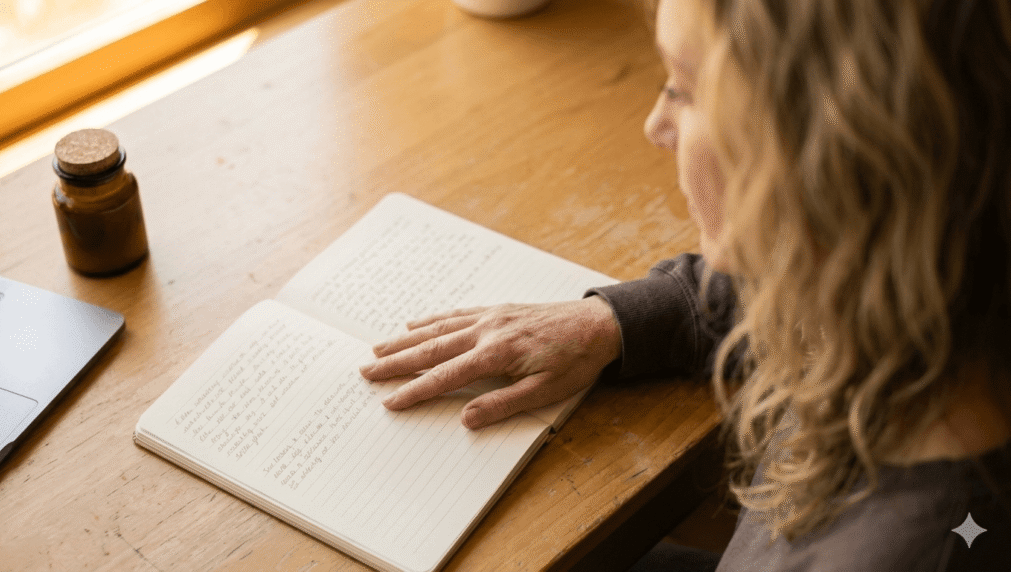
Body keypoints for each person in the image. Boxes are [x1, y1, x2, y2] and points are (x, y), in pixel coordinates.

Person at [360, 0, 1011, 569]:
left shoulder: (921, 550)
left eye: (686, 89)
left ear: (828, 148)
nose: (656, 127)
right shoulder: (932, 273)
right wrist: (613, 322)